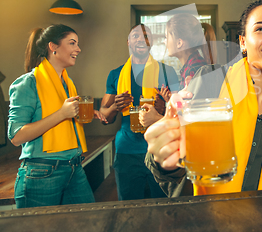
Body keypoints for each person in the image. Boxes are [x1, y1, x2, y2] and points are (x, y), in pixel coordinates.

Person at [143, 0, 262, 196]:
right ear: (243, 41)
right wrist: (167, 160)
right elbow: (170, 164)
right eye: (261, 29)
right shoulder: (210, 81)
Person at [8, 24, 105, 208]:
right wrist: (61, 114)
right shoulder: (27, 83)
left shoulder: (67, 83)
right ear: (53, 47)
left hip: (74, 167)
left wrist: (81, 114)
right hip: (41, 173)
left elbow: (61, 116)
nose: (78, 49)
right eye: (72, 43)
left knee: (89, 223)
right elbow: (16, 136)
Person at [99, 24, 179, 201]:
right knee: (129, 208)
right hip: (127, 151)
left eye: (146, 36)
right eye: (136, 36)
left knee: (163, 206)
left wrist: (164, 107)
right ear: (128, 42)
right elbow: (104, 116)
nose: (141, 39)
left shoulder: (167, 72)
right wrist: (115, 107)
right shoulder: (116, 74)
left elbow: (181, 112)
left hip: (161, 149)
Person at [165, 13, 213, 89]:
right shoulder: (193, 65)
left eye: (166, 37)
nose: (165, 42)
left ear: (179, 43)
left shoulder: (193, 71)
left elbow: (191, 100)